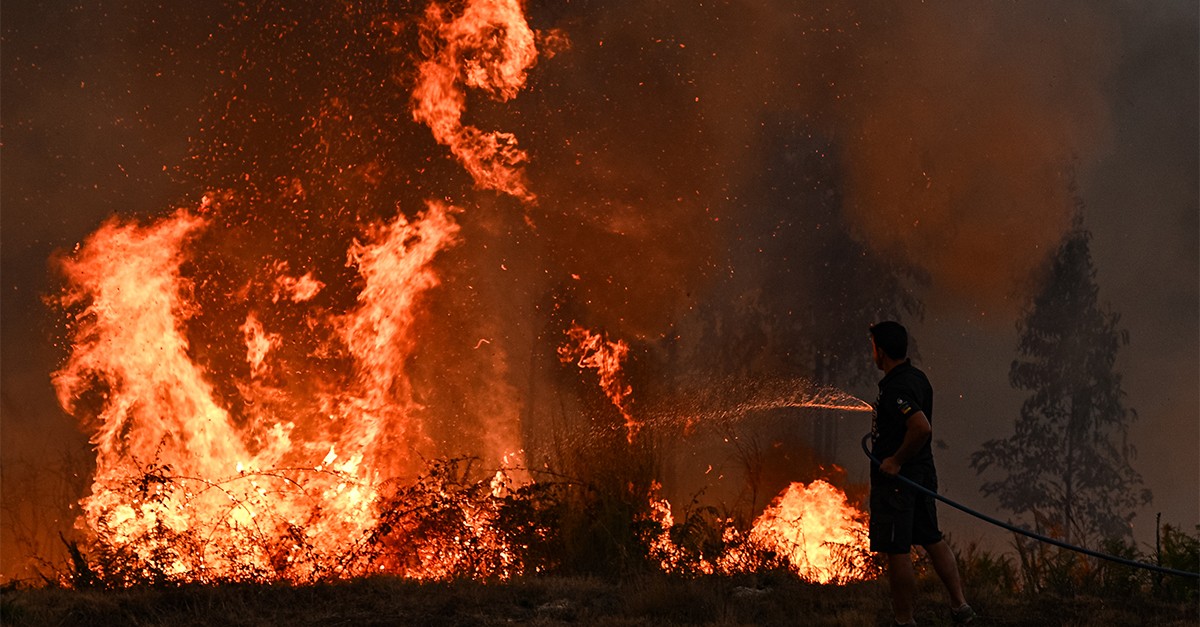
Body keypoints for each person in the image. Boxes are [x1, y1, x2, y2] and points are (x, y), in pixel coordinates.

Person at [867, 321, 975, 626]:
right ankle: (960, 606)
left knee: (897, 548)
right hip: (922, 475)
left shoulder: (896, 388)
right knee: (931, 537)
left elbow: (920, 427)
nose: (872, 353)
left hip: (899, 482)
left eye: (873, 347)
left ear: (881, 351)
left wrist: (896, 460)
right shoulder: (916, 378)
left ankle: (904, 620)